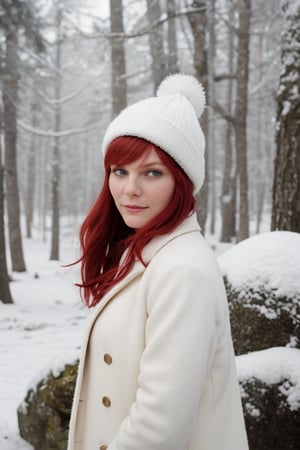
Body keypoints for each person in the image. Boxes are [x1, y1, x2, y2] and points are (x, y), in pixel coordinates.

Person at [67, 73, 249, 450]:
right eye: (120, 171)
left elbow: (158, 427)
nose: (130, 189)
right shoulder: (146, 254)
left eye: (152, 172)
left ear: (181, 181)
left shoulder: (181, 271)